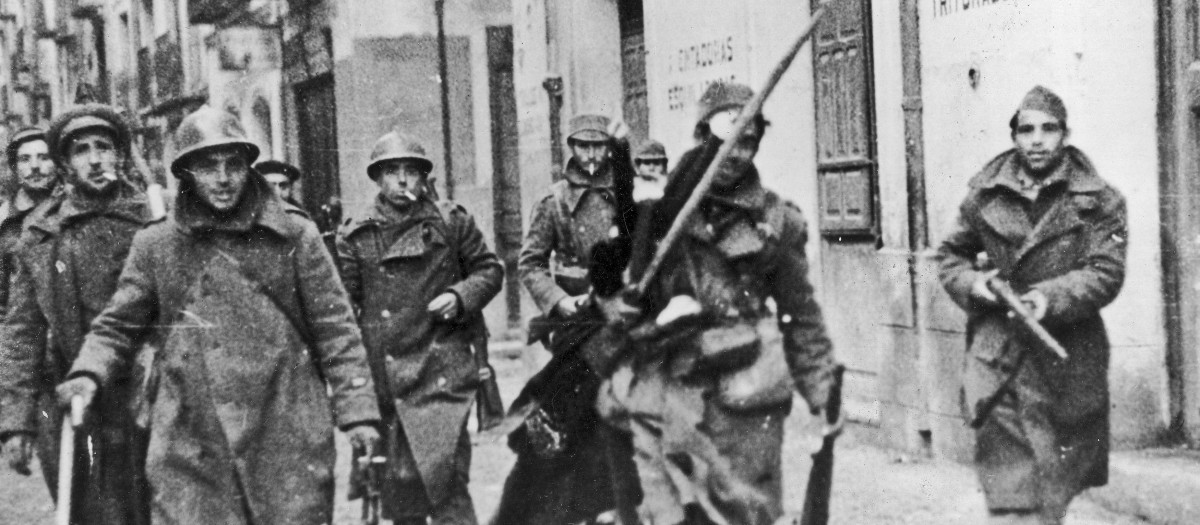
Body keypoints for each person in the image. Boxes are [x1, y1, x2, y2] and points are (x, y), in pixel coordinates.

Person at [55, 105, 381, 525]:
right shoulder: (157, 245)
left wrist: (358, 411)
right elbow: (118, 325)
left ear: (249, 167)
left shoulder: (294, 233)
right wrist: (87, 372)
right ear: (188, 173)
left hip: (284, 430)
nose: (224, 179)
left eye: (234, 165)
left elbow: (335, 327)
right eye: (209, 166)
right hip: (191, 440)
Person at [597, 81, 841, 525]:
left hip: (745, 398)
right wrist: (626, 308)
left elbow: (801, 313)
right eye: (729, 139)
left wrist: (822, 392)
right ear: (702, 136)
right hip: (669, 390)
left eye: (749, 141)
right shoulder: (660, 210)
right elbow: (617, 289)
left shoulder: (775, 219)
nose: (738, 153)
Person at [938, 86, 1127, 525]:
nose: (1037, 140)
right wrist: (977, 286)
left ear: (1065, 134)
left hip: (1066, 357)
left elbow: (1106, 270)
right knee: (1012, 493)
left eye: (1048, 129)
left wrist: (1050, 297)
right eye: (1026, 130)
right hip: (999, 357)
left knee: (1051, 490)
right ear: (1014, 136)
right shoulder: (985, 194)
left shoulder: (1100, 200)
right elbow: (950, 258)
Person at [336, 132, 502, 525]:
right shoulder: (357, 234)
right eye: (392, 172)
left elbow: (489, 269)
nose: (403, 181)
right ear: (377, 178)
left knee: (448, 489)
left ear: (424, 176)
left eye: (411, 171)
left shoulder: (451, 221)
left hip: (443, 372)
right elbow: (343, 307)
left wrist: (460, 296)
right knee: (401, 498)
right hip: (389, 380)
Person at [0, 104, 151, 524]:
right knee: (89, 512)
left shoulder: (154, 220)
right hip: (74, 400)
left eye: (104, 146)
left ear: (120, 154)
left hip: (150, 393)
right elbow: (22, 330)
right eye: (82, 150)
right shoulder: (43, 233)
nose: (96, 158)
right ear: (65, 163)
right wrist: (16, 423)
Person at [494, 113, 639, 525]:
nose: (592, 156)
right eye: (583, 147)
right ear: (571, 149)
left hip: (618, 315)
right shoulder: (555, 201)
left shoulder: (626, 197)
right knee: (572, 412)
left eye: (599, 147)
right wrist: (558, 301)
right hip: (575, 320)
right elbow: (531, 263)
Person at [0, 125, 59, 315]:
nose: (35, 166)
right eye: (25, 159)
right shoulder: (5, 221)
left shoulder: (70, 211)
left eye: (44, 157)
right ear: (15, 168)